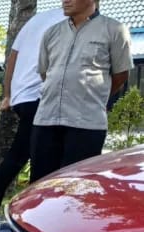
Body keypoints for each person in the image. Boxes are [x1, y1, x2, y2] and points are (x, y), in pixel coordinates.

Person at [0, 8, 66, 216]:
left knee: (22, 152)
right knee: (40, 156)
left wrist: (8, 94)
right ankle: (28, 212)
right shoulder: (70, 22)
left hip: (22, 96)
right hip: (40, 95)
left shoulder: (37, 20)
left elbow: (12, 58)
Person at [30, 0, 132, 182]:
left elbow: (121, 74)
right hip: (46, 119)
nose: (65, 1)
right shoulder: (52, 33)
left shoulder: (114, 30)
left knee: (76, 187)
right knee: (41, 185)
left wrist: (95, 97)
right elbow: (45, 73)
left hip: (86, 124)